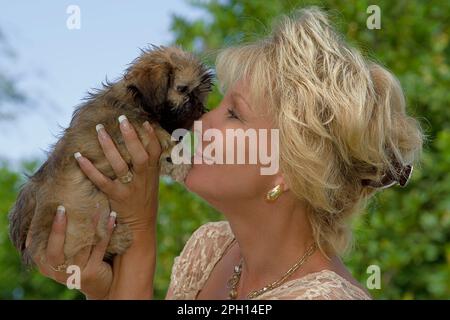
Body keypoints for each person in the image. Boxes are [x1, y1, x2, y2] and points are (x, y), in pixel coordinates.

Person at [27, 7, 423, 300]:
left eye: (233, 114)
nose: (200, 123)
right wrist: (103, 288)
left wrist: (141, 231)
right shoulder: (212, 248)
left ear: (287, 169)